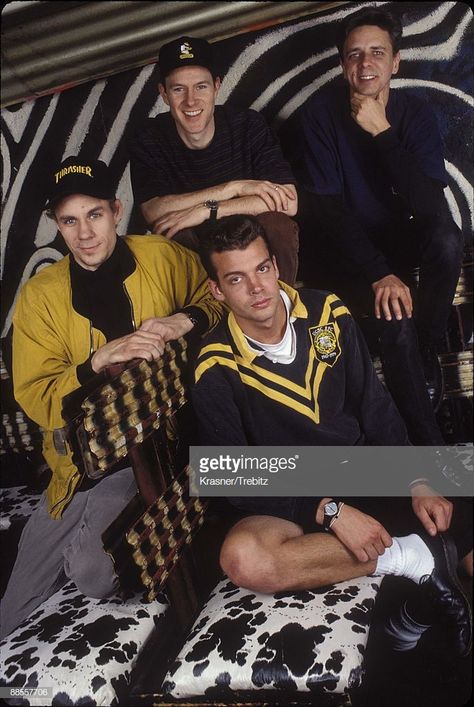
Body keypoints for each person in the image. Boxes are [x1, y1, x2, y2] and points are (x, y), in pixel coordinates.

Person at [192, 214, 472, 656]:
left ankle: (420, 568)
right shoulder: (214, 364)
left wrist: (417, 483)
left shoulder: (328, 311)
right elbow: (231, 473)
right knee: (244, 558)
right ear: (216, 290)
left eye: (262, 268)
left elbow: (375, 408)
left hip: (362, 471)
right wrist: (329, 509)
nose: (257, 288)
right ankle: (409, 556)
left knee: (461, 525)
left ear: (276, 266)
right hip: (292, 495)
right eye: (236, 278)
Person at [0, 156, 221, 639]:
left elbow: (219, 299)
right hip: (74, 469)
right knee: (8, 614)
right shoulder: (41, 295)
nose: (84, 233)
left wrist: (184, 320)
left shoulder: (162, 257)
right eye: (69, 220)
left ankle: (92, 556)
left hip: (151, 457)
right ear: (56, 225)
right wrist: (95, 362)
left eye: (94, 214)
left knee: (92, 572)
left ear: (116, 210)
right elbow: (35, 396)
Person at [293, 7, 463, 444]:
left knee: (447, 238)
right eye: (354, 55)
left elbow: (429, 207)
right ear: (342, 64)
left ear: (395, 62)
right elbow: (328, 213)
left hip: (400, 238)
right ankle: (432, 452)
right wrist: (378, 273)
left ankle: (428, 347)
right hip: (344, 252)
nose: (365, 64)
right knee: (397, 321)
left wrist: (383, 133)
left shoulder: (414, 113)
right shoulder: (317, 117)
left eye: (376, 53)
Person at [128, 35, 300, 284]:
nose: (191, 100)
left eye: (201, 86)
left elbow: (289, 202)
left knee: (277, 224)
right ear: (163, 93)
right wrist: (234, 188)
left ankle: (280, 308)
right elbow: (154, 211)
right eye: (178, 89)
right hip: (198, 246)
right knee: (171, 231)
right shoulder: (149, 138)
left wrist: (207, 210)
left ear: (216, 86)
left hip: (252, 239)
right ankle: (208, 317)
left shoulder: (247, 125)